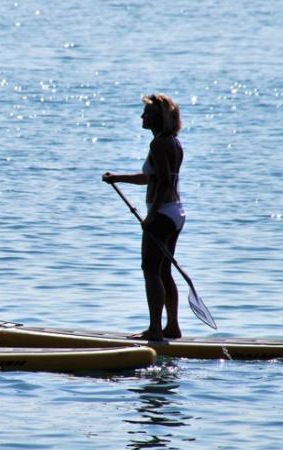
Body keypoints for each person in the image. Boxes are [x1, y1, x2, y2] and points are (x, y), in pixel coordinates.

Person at [102, 94, 185, 339]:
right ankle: (172, 327)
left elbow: (163, 182)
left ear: (158, 118)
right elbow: (151, 177)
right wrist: (118, 178)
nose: (142, 116)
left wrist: (153, 215)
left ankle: (155, 330)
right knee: (164, 271)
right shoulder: (172, 142)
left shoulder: (159, 144)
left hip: (162, 214)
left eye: (147, 113)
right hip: (176, 213)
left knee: (150, 270)